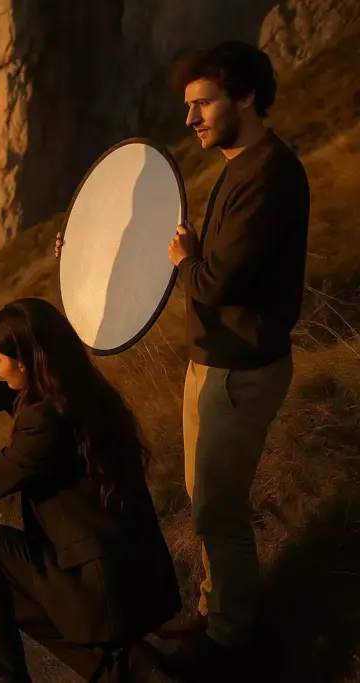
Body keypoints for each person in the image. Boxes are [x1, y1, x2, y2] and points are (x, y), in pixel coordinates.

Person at [57, 41, 310, 676]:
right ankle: (213, 607)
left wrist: (184, 260)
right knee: (205, 499)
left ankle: (229, 640)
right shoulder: (239, 166)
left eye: (203, 103)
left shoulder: (268, 174)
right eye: (189, 106)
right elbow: (195, 258)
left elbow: (215, 280)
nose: (190, 118)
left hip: (240, 369)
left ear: (245, 97)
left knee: (218, 508)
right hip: (216, 363)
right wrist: (87, 250)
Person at [0, 298, 182, 683]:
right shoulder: (84, 392)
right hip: (141, 578)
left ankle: (11, 676)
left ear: (25, 363)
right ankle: (130, 667)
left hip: (98, 589)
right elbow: (7, 395)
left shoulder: (43, 422)